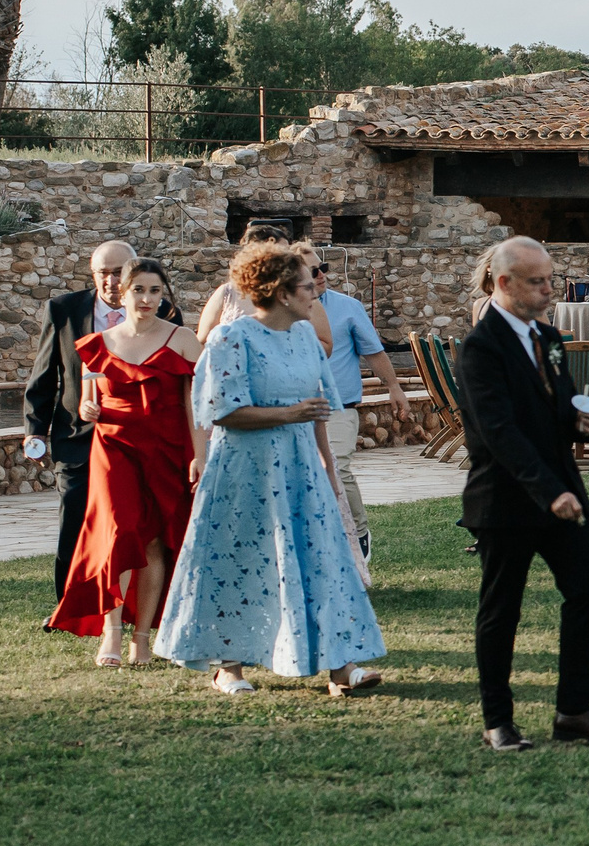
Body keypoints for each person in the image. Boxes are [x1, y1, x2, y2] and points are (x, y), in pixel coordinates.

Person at [154, 241, 385, 697]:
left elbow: (318, 408)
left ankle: (342, 668)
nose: (314, 293)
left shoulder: (305, 337)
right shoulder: (229, 339)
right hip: (245, 471)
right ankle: (229, 667)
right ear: (281, 293)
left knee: (320, 558)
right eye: (306, 286)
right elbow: (221, 412)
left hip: (301, 468)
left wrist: (327, 466)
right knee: (240, 562)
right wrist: (288, 414)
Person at [456, 236, 589, 752]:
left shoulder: (550, 339)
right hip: (506, 498)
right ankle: (498, 720)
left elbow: (552, 414)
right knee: (501, 608)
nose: (549, 289)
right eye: (538, 282)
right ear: (504, 284)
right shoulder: (481, 347)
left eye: (550, 279)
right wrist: (549, 490)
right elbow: (497, 431)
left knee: (587, 588)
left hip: (560, 493)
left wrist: (581, 425)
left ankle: (574, 710)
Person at [44, 257, 202, 667]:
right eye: (139, 290)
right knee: (118, 531)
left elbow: (195, 404)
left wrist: (200, 454)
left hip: (168, 451)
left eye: (155, 291)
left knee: (155, 540)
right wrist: (88, 411)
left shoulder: (184, 339)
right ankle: (110, 636)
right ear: (123, 292)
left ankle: (143, 638)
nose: (147, 299)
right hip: (115, 448)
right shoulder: (101, 341)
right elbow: (86, 403)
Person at [24, 239, 172, 601]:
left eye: (118, 272)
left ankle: (137, 605)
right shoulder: (64, 310)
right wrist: (35, 432)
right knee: (74, 517)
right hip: (77, 437)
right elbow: (44, 376)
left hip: (137, 439)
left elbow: (171, 381)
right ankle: (68, 606)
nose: (109, 280)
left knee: (137, 527)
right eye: (102, 273)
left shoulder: (164, 312)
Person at [311, 254, 408, 561]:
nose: (321, 274)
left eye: (323, 267)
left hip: (339, 405)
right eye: (312, 270)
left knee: (336, 468)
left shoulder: (347, 307)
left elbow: (374, 352)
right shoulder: (282, 309)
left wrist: (394, 387)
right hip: (296, 408)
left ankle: (359, 532)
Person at [192, 221, 291, 338]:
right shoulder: (227, 293)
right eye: (280, 253)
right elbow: (203, 339)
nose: (287, 258)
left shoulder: (293, 291)